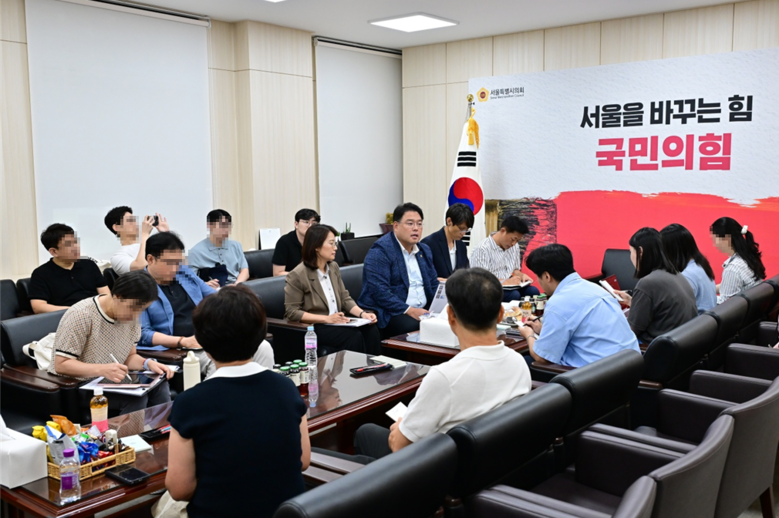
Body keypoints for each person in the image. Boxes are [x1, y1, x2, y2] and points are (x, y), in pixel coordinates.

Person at [337, 268, 531, 463]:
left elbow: (398, 445)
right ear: (500, 314)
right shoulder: (518, 363)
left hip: (441, 471)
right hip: (496, 463)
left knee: (365, 432)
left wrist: (400, 427)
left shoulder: (445, 378)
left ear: (450, 316)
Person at [166, 285, 310, 518]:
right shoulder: (286, 387)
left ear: (204, 343)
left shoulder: (190, 403)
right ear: (260, 335)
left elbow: (179, 489)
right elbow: (303, 461)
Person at [140, 232, 274, 376]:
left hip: (210, 336)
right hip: (180, 347)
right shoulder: (139, 287)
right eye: (169, 263)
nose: (175, 268)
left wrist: (241, 299)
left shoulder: (184, 274)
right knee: (219, 363)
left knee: (263, 347)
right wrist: (182, 341)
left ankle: (263, 389)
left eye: (178, 262)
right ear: (151, 259)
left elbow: (214, 297)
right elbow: (143, 333)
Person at [48, 270, 174, 415]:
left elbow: (129, 357)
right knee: (135, 400)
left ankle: (163, 428)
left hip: (112, 380)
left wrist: (147, 363)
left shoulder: (132, 317)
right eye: (133, 308)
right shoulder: (82, 315)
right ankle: (132, 431)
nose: (136, 315)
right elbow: (61, 364)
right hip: (81, 384)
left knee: (160, 387)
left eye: (142, 310)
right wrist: (102, 370)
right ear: (117, 296)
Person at [519, 244, 640, 367]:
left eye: (537, 277)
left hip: (598, 374)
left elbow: (542, 358)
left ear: (546, 276)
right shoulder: (596, 289)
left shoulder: (558, 302)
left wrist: (528, 334)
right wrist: (543, 330)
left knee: (523, 361)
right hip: (630, 366)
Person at [284, 224, 382, 356]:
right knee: (353, 336)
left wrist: (362, 314)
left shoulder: (333, 267)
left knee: (371, 330)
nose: (335, 248)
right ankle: (356, 369)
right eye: (331, 243)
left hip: (337, 322)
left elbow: (344, 298)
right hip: (315, 326)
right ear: (316, 247)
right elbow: (292, 312)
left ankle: (377, 366)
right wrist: (327, 319)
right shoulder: (298, 274)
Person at [357, 203, 439, 338]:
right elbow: (380, 292)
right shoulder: (380, 252)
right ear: (396, 226)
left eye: (419, 224)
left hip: (422, 309)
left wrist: (441, 306)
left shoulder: (424, 250)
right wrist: (410, 310)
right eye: (410, 223)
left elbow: (433, 282)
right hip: (390, 311)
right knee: (417, 326)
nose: (416, 228)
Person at [614, 228, 698, 344]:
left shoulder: (647, 283)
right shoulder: (677, 275)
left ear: (640, 252)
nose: (630, 257)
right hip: (682, 344)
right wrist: (632, 302)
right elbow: (661, 312)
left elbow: (631, 331)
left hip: (656, 347)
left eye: (631, 252)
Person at [29, 224, 110, 314]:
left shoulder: (89, 264)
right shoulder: (41, 274)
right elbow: (38, 307)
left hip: (96, 312)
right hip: (66, 316)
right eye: (69, 244)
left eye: (75, 242)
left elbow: (105, 294)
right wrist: (74, 310)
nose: (76, 247)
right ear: (54, 251)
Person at [470, 216, 540, 302]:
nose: (514, 243)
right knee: (514, 295)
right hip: (489, 288)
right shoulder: (482, 249)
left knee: (533, 291)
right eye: (513, 239)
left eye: (517, 241)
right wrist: (505, 282)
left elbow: (515, 270)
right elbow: (480, 279)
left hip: (510, 286)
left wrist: (521, 276)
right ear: (503, 231)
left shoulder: (514, 246)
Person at [660, 223, 717, 314]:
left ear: (672, 251)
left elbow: (676, 312)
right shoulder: (700, 265)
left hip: (696, 321)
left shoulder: (687, 276)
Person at [710, 217, 765, 303]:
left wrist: (703, 298)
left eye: (715, 239)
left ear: (726, 239)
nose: (714, 244)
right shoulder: (749, 257)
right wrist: (708, 290)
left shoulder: (732, 269)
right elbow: (730, 285)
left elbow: (724, 304)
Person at [188, 209, 249, 287]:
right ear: (210, 226)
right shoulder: (195, 252)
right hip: (214, 290)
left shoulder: (236, 245)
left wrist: (236, 284)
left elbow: (245, 271)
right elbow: (189, 281)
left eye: (228, 226)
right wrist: (205, 284)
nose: (226, 230)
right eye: (222, 225)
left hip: (237, 286)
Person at [104, 206, 169, 275]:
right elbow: (142, 267)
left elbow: (174, 259)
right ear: (117, 227)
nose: (136, 224)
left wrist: (167, 235)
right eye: (130, 221)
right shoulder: (118, 257)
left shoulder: (151, 243)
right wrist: (144, 234)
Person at [420, 203, 473, 280]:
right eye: (461, 229)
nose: (463, 233)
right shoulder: (428, 244)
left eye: (466, 230)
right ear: (449, 221)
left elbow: (466, 273)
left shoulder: (461, 246)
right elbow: (424, 276)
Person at [272, 208, 320, 276]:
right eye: (306, 222)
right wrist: (303, 276)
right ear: (296, 224)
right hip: (292, 280)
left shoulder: (318, 241)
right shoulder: (284, 242)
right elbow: (277, 273)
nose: (310, 226)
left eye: (314, 223)